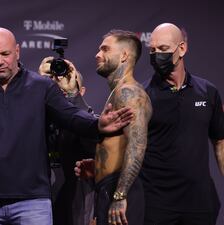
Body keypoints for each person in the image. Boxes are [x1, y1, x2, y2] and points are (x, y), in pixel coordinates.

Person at [0, 27, 133, 225]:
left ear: (17, 51)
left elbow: (70, 116)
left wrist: (97, 125)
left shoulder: (41, 86)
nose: (0, 61)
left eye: (5, 54)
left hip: (33, 203)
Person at [140, 22, 224, 225]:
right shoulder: (142, 96)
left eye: (163, 49)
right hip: (157, 204)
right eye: (152, 50)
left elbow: (220, 142)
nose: (156, 55)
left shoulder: (208, 92)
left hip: (200, 203)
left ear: (182, 49)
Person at [75, 29, 152, 225]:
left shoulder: (129, 92)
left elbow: (137, 144)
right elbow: (119, 144)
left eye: (105, 49)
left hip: (120, 191)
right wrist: (98, 168)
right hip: (109, 188)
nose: (97, 54)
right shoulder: (118, 92)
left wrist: (120, 195)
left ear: (124, 55)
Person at [39, 57, 97, 225]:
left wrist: (72, 96)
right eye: (48, 79)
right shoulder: (31, 119)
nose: (56, 84)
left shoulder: (90, 119)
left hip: (76, 199)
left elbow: (91, 140)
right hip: (38, 200)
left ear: (81, 90)